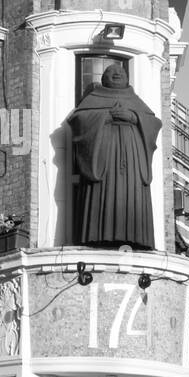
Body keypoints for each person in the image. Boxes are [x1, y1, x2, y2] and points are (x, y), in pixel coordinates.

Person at [66, 62, 162, 249]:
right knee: (103, 190)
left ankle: (135, 238)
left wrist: (134, 118)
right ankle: (97, 235)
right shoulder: (93, 98)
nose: (117, 73)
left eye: (121, 71)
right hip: (103, 157)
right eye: (111, 71)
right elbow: (78, 120)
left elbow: (154, 123)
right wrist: (106, 117)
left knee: (131, 193)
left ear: (127, 78)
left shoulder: (136, 101)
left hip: (133, 159)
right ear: (103, 78)